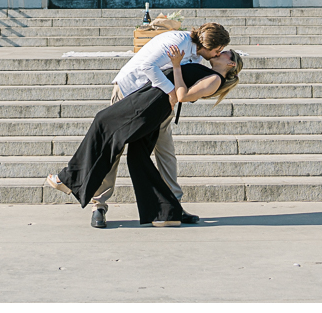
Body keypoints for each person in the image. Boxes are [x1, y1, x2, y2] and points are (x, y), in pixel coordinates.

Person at [46, 43, 243, 226]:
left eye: (225, 52)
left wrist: (176, 65)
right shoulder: (204, 67)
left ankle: (70, 179)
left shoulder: (216, 79)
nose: (220, 52)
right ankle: (164, 212)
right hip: (148, 100)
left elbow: (183, 95)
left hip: (152, 105)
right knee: (136, 155)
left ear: (230, 62)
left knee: (104, 123)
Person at [89, 21, 230, 228]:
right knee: (114, 149)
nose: (218, 55)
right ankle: (98, 205)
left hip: (157, 104)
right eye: (218, 50)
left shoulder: (198, 54)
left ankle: (174, 204)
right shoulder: (177, 42)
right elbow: (147, 67)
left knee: (165, 150)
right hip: (129, 92)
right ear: (208, 46)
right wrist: (173, 93)